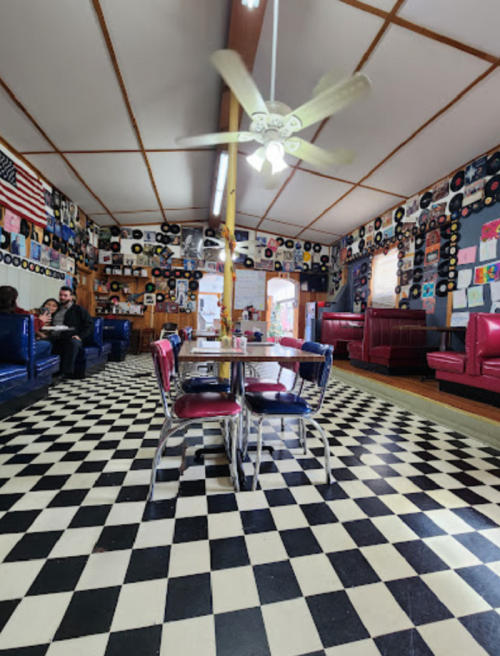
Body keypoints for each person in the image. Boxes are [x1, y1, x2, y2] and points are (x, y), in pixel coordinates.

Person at [49, 287, 94, 377]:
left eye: (65, 295)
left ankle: (64, 373)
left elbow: (90, 325)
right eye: (61, 295)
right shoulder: (55, 309)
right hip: (54, 337)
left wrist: (80, 336)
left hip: (71, 337)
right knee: (42, 343)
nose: (62, 297)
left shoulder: (78, 310)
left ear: (71, 297)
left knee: (72, 344)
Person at [0, 286, 52, 359]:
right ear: (14, 300)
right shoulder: (21, 314)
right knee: (47, 344)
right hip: (17, 351)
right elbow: (31, 328)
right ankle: (31, 368)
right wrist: (40, 320)